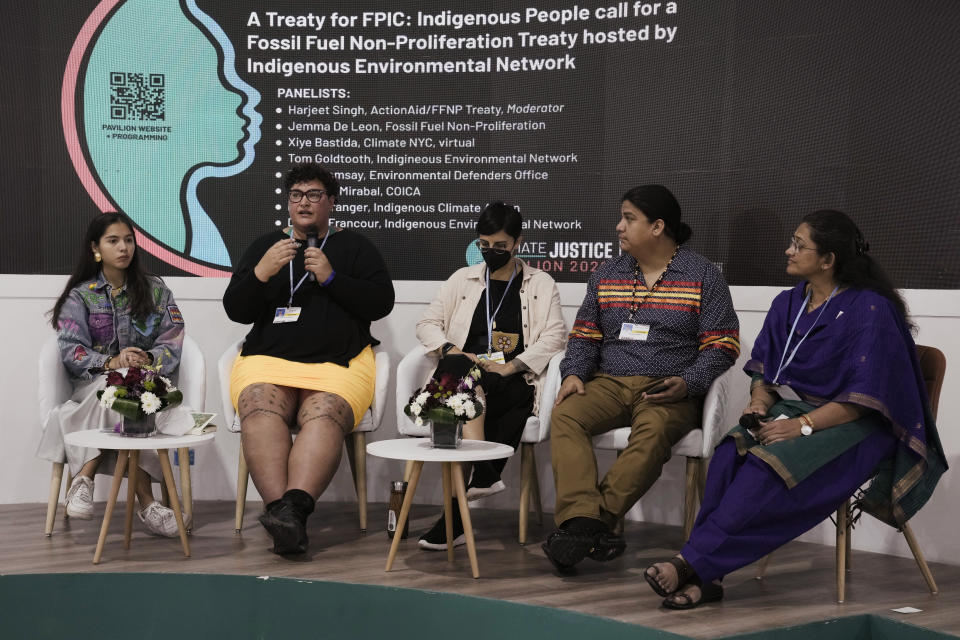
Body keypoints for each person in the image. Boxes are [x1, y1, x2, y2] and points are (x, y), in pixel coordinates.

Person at [644, 210, 947, 609]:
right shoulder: (788, 303)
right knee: (728, 456)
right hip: (795, 411)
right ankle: (705, 575)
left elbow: (868, 400)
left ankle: (691, 563)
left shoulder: (871, 309)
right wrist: (758, 402)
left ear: (828, 259)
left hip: (858, 425)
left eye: (799, 245)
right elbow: (765, 373)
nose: (788, 250)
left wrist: (801, 425)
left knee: (764, 468)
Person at [542, 185, 740, 573]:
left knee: (652, 433)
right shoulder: (607, 273)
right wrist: (574, 373)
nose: (619, 227)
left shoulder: (702, 276)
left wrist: (690, 382)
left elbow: (723, 344)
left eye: (629, 218)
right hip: (610, 380)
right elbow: (585, 334)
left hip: (669, 387)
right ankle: (587, 523)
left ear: (657, 227)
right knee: (566, 414)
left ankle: (586, 526)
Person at [223, 162, 394, 555]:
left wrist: (333, 278)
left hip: (339, 364)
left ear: (331, 202)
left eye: (314, 195)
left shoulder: (353, 247)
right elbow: (236, 309)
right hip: (268, 360)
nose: (304, 202)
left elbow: (381, 301)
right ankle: (284, 516)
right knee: (258, 405)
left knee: (325, 411)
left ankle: (292, 513)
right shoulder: (267, 246)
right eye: (297, 195)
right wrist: (261, 273)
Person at [414, 202, 567, 550]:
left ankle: (453, 517)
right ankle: (482, 474)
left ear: (518, 243)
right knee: (456, 371)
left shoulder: (540, 283)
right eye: (484, 245)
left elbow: (555, 336)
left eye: (500, 246)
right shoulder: (462, 279)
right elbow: (426, 324)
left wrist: (510, 365)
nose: (492, 253)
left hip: (513, 380)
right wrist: (454, 351)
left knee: (453, 388)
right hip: (466, 375)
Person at [37, 212, 187, 537]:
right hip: (92, 386)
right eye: (113, 241)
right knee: (113, 389)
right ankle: (148, 505)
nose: (124, 248)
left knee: (125, 392)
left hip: (145, 385)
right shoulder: (81, 296)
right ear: (96, 247)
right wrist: (111, 363)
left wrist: (145, 358)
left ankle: (83, 478)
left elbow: (173, 340)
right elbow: (71, 351)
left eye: (129, 240)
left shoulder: (157, 291)